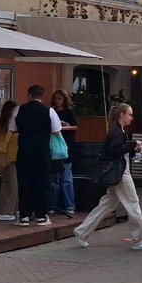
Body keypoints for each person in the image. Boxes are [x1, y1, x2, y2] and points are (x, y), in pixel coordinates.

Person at [73, 103, 142, 250]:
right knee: (132, 203)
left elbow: (117, 149)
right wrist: (133, 145)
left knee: (107, 204)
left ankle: (82, 231)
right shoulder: (117, 132)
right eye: (130, 114)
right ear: (122, 115)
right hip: (121, 173)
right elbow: (115, 150)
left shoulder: (117, 130)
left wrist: (132, 146)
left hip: (118, 172)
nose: (131, 117)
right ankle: (140, 240)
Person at [13, 85, 61, 226]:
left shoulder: (19, 109)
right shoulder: (49, 111)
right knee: (43, 181)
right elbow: (57, 131)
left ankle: (24, 216)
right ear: (42, 96)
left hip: (24, 150)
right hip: (42, 151)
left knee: (24, 181)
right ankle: (41, 216)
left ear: (29, 95)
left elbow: (13, 129)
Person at [49, 89, 77, 218]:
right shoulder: (51, 111)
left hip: (65, 148)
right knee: (53, 179)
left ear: (64, 100)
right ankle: (54, 204)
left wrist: (64, 124)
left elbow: (73, 128)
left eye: (60, 99)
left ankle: (70, 205)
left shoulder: (69, 112)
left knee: (66, 179)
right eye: (56, 98)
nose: (57, 101)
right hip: (54, 148)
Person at [0, 100, 19, 221]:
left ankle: (13, 210)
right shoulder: (6, 125)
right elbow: (2, 145)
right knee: (10, 184)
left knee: (14, 184)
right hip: (9, 159)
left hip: (17, 158)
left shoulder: (14, 124)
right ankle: (4, 211)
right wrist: (1, 159)